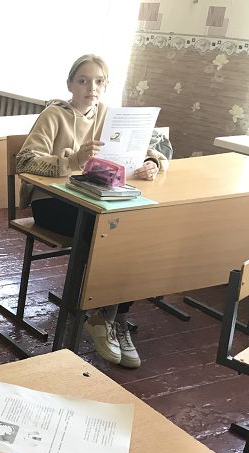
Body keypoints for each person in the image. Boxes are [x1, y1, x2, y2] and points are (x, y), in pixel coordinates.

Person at [16, 54, 171, 369]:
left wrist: (151, 162)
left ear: (106, 85)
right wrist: (72, 161)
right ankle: (97, 315)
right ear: (70, 84)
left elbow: (151, 149)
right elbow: (24, 161)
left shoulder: (109, 116)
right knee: (106, 234)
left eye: (99, 81)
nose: (91, 88)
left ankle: (112, 317)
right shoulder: (54, 115)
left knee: (134, 234)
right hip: (52, 203)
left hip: (96, 200)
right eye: (83, 81)